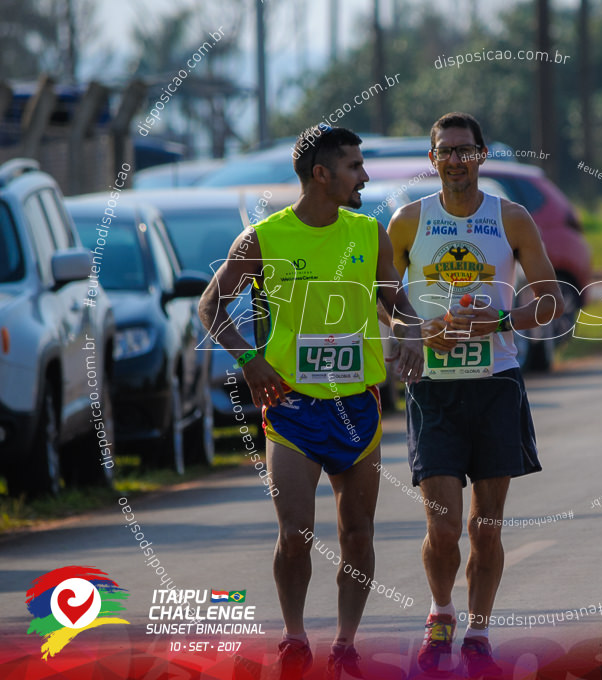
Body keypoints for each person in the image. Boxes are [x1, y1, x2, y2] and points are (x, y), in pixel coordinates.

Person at [198, 124, 423, 679]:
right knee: (296, 532)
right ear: (321, 174)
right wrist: (249, 360)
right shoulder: (263, 239)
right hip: (292, 408)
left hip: (358, 405)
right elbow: (211, 305)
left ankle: (346, 642)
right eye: (354, 166)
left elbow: (398, 302)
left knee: (358, 534)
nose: (364, 176)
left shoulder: (367, 233)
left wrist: (411, 333)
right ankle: (294, 636)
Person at [386, 112, 564, 677]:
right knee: (442, 525)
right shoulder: (408, 222)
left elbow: (552, 299)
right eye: (446, 152)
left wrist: (502, 322)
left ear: (482, 155)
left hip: (496, 384)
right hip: (434, 389)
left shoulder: (510, 218)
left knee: (485, 525)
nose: (457, 160)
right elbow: (385, 300)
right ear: (433, 160)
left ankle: (480, 632)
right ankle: (442, 615)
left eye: (466, 150)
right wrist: (414, 331)